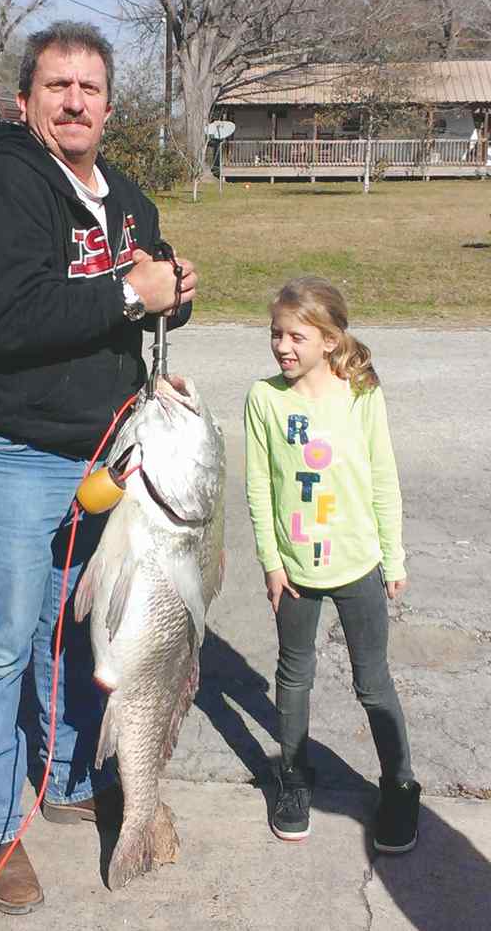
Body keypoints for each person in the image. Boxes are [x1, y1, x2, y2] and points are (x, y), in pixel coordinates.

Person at [0, 20, 197, 915]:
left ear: (109, 107)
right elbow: (12, 320)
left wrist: (172, 293)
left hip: (101, 454)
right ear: (26, 100)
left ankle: (66, 776)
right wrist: (130, 291)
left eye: (90, 88)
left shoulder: (125, 196)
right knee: (3, 639)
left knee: (77, 628)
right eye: (58, 86)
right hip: (7, 450)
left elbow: (143, 297)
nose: (75, 101)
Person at [244, 276, 421, 853]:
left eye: (296, 336)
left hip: (359, 566)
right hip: (296, 573)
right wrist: (272, 562)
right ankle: (293, 776)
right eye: (276, 334)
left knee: (373, 683)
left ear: (329, 339)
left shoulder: (361, 393)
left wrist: (392, 557)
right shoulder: (265, 399)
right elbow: (259, 487)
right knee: (293, 678)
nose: (282, 346)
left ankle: (400, 784)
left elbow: (383, 478)